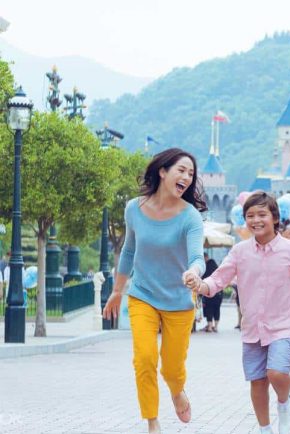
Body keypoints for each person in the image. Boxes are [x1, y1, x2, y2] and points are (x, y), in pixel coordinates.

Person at [189, 191, 290, 434]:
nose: (255, 220)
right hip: (252, 328)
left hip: (283, 326)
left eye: (262, 214)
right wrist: (200, 285)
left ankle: (284, 403)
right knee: (257, 380)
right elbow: (218, 280)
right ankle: (265, 429)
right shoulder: (240, 251)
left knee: (276, 372)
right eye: (249, 215)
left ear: (275, 218)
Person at [102, 148, 206, 434]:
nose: (186, 176)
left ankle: (176, 390)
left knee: (172, 369)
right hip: (143, 295)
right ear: (163, 171)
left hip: (179, 299)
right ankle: (152, 421)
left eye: (191, 173)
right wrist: (117, 290)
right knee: (145, 359)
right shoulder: (134, 208)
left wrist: (193, 272)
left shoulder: (190, 217)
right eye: (181, 170)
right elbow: (129, 250)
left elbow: (197, 257)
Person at [200, 253, 220, 332]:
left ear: (206, 257)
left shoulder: (206, 267)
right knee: (217, 309)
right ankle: (216, 326)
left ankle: (210, 327)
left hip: (209, 290)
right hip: (219, 292)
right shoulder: (215, 265)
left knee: (209, 308)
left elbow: (203, 278)